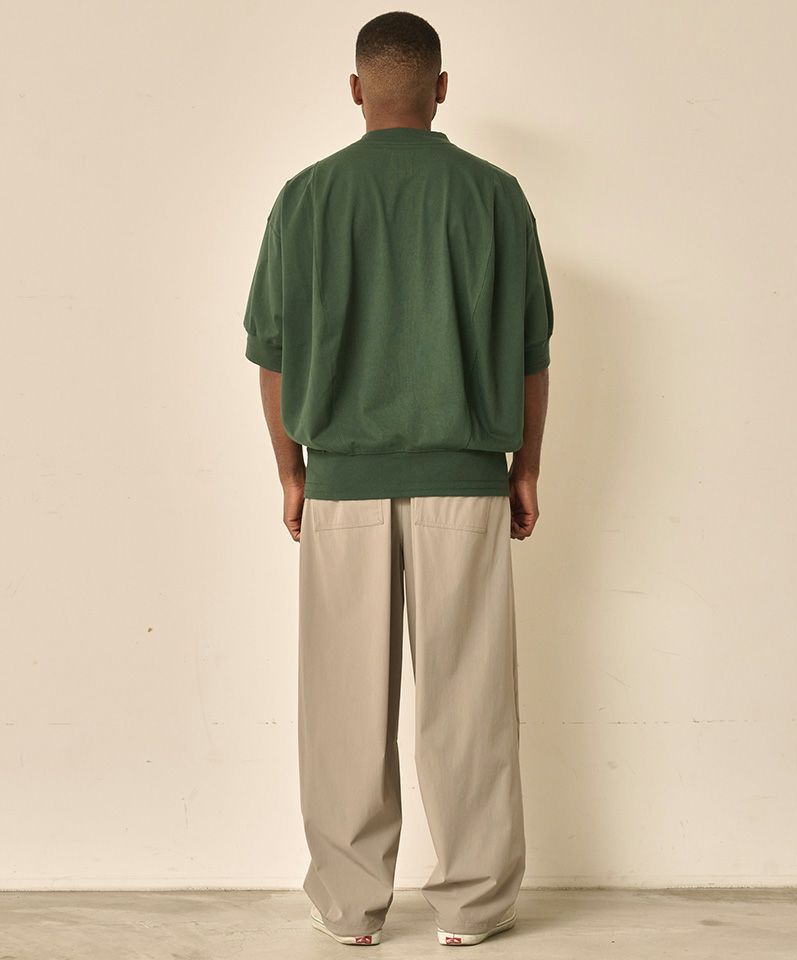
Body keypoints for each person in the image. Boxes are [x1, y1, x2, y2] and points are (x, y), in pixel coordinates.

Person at [242, 10, 553, 948]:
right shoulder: (495, 195)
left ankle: (350, 908)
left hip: (341, 485)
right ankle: (472, 906)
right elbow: (531, 352)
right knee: (470, 703)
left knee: (343, 708)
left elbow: (272, 353)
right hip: (467, 478)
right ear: (441, 88)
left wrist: (291, 472)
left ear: (356, 90)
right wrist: (527, 468)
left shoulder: (306, 197)